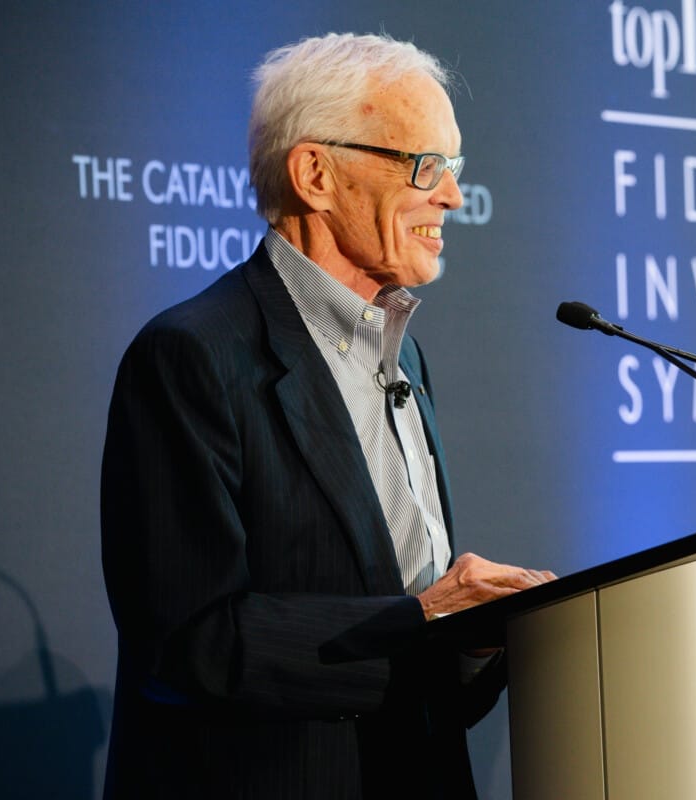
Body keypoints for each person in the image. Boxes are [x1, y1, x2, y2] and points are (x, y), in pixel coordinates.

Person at [100, 33, 554, 799]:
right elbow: (190, 643)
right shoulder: (192, 357)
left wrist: (471, 641)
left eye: (454, 166)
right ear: (316, 174)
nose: (451, 196)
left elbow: (411, 642)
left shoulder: (407, 357)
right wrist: (422, 619)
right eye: (425, 165)